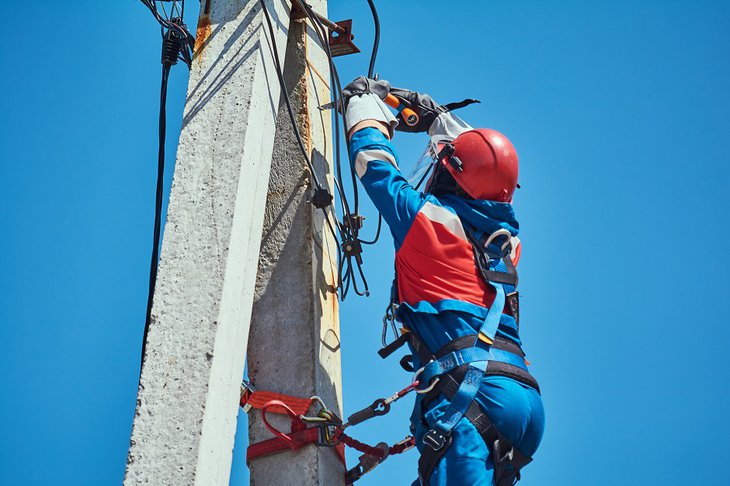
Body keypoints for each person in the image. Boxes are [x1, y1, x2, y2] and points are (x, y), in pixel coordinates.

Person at [342, 77, 545, 485]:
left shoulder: (427, 223)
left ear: (449, 173)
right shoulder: (505, 244)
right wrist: (438, 118)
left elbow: (374, 164)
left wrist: (361, 105)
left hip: (470, 391)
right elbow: (488, 168)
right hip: (522, 400)